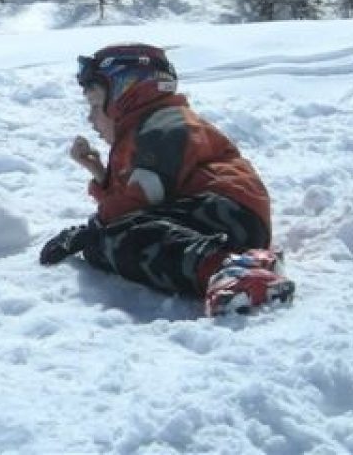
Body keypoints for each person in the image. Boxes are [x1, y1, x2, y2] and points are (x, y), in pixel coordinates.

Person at [39, 43, 295, 317]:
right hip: (215, 220)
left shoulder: (163, 126)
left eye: (94, 106)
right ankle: (234, 264)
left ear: (126, 93)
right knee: (108, 241)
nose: (90, 119)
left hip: (227, 213)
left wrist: (92, 230)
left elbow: (138, 203)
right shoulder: (141, 133)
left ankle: (232, 268)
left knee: (121, 239)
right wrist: (100, 174)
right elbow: (135, 203)